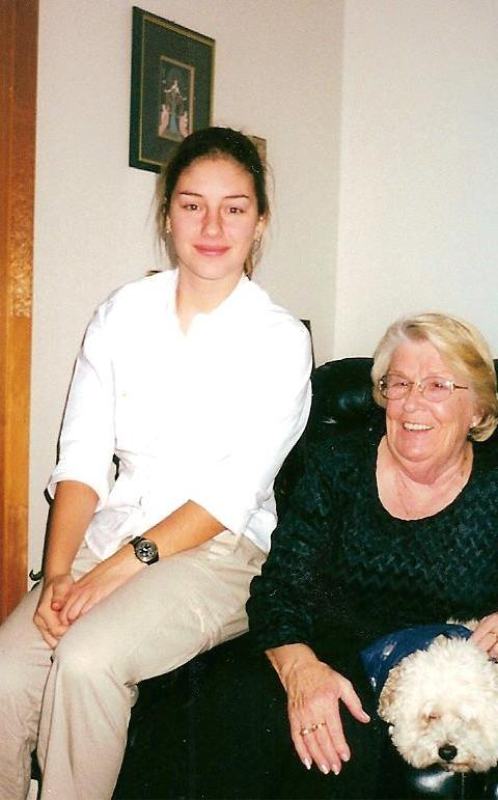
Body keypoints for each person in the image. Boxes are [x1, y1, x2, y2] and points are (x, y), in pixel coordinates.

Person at [0, 126, 312, 800]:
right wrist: (59, 574)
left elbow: (230, 495)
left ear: (260, 222)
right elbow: (82, 457)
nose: (212, 226)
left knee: (87, 658)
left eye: (234, 208)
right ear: (168, 215)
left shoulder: (279, 340)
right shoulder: (122, 313)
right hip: (112, 532)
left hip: (220, 551)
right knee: (5, 669)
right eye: (192, 205)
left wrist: (108, 576)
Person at [200, 312, 498, 799]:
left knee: (341, 744)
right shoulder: (337, 463)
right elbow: (281, 585)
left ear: (478, 410)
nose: (412, 402)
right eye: (399, 383)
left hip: (419, 681)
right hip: (313, 651)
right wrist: (300, 669)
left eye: (438, 385)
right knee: (222, 710)